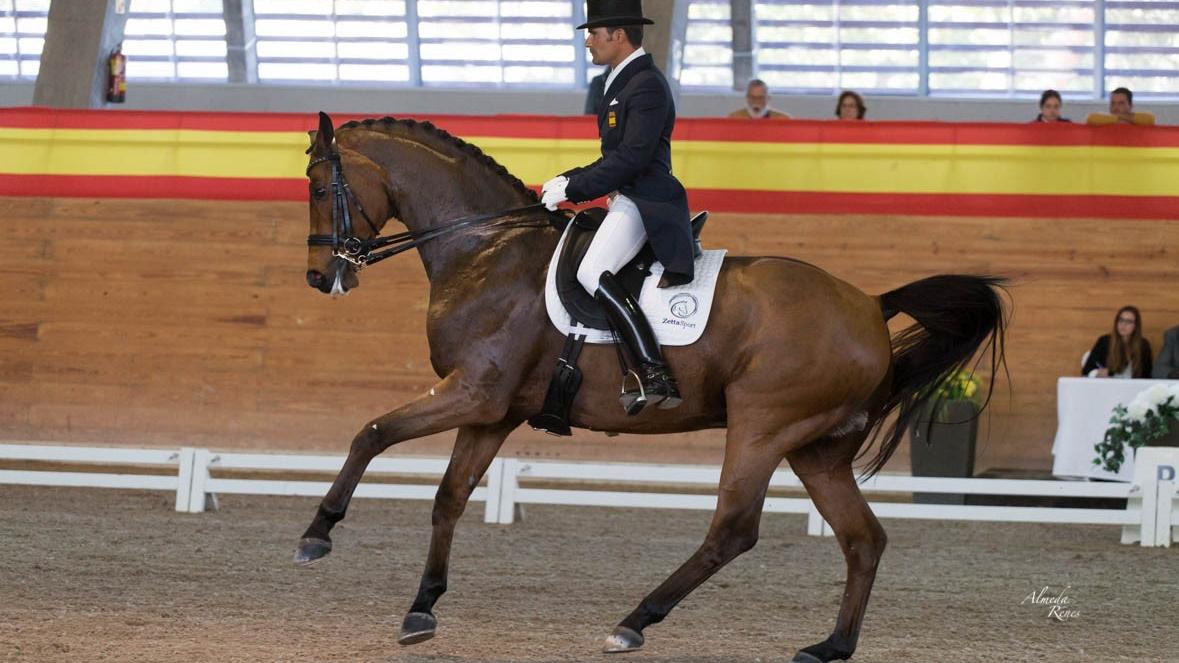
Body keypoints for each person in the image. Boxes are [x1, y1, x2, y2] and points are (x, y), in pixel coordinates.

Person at [540, 0, 692, 413]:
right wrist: (569, 177)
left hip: (646, 199)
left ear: (618, 35)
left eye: (594, 33)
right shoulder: (621, 81)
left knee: (592, 271)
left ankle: (654, 369)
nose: (588, 41)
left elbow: (632, 159)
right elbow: (614, 157)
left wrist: (576, 188)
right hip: (629, 193)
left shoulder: (645, 85)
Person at [1082, 306, 1153, 378]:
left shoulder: (1143, 345)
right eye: (1121, 320)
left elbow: (1147, 375)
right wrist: (1096, 373)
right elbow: (1086, 370)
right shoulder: (1105, 341)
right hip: (1109, 386)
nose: (1123, 325)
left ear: (1136, 326)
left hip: (1134, 387)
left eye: (1129, 322)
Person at [1086, 87, 1156, 127]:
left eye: (1121, 103)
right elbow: (1091, 118)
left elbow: (1150, 119)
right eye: (1113, 103)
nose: (1116, 107)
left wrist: (1123, 118)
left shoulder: (1140, 120)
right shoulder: (1104, 120)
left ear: (1130, 105)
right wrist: (1119, 118)